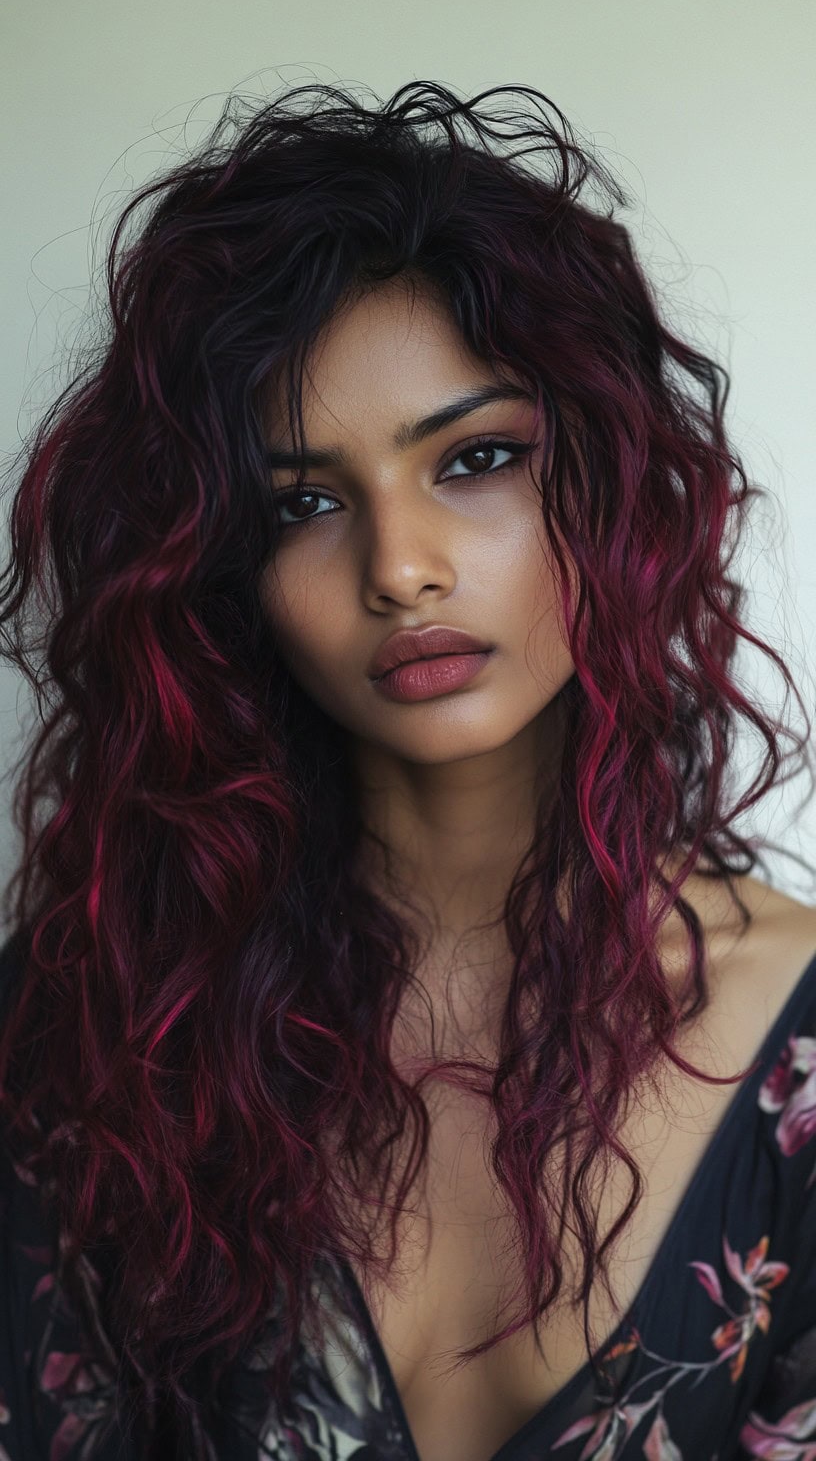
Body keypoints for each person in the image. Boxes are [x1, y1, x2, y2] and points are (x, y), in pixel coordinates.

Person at [0, 77, 814, 1461]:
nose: (400, 568)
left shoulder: (796, 1044)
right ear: (217, 569)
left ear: (611, 486)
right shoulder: (78, 1034)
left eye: (476, 458)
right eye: (304, 502)